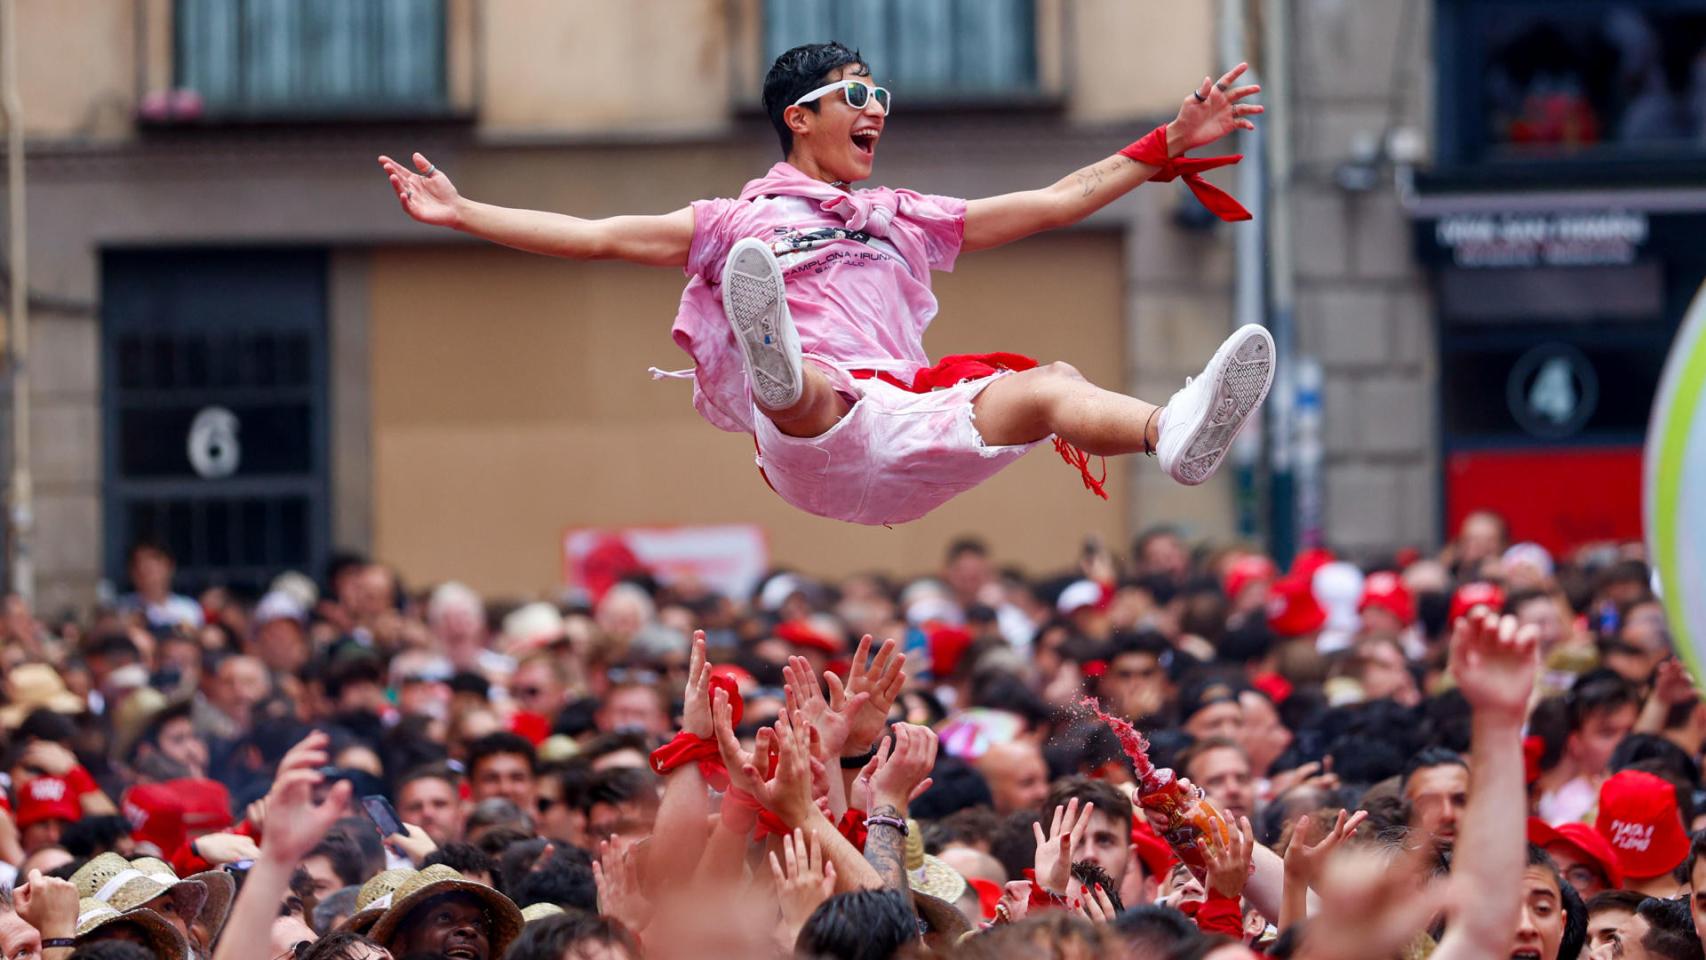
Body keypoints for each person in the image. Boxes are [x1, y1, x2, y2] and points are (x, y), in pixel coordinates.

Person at [378, 44, 1273, 527]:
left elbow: (1046, 203)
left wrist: (1164, 143)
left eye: (880, 95)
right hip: (817, 442)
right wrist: (466, 214)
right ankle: (777, 364)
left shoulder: (900, 211)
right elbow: (600, 236)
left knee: (1050, 386)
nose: (876, 108)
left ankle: (1172, 434)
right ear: (798, 117)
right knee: (812, 391)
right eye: (856, 94)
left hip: (905, 430)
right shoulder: (733, 218)